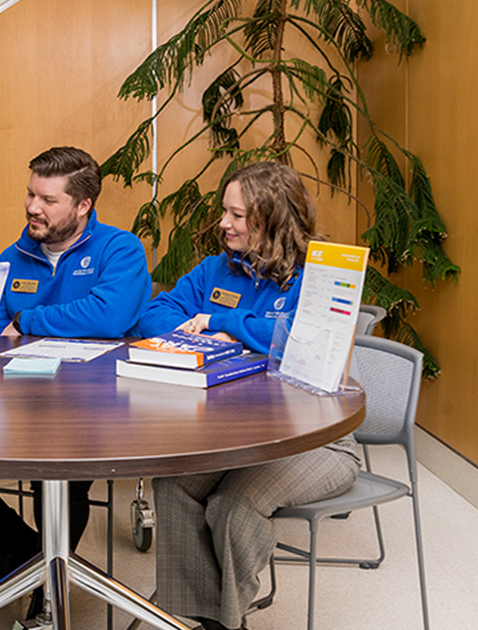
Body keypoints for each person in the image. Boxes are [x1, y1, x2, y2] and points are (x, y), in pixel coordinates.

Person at [136, 161, 361, 630]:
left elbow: (303, 336)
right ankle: (206, 619)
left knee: (233, 508)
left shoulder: (314, 278)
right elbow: (155, 315)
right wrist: (199, 334)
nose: (224, 223)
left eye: (237, 216)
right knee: (173, 486)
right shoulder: (215, 269)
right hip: (235, 435)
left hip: (314, 440)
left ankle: (227, 620)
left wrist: (221, 324)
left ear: (272, 219)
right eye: (225, 212)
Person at [0, 146, 151, 619]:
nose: (34, 207)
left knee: (59, 476)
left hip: (93, 406)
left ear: (82, 207)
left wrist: (29, 317)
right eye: (31, 194)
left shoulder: (119, 249)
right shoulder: (15, 254)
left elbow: (110, 315)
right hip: (16, 400)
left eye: (49, 200)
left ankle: (46, 599)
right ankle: (21, 551)